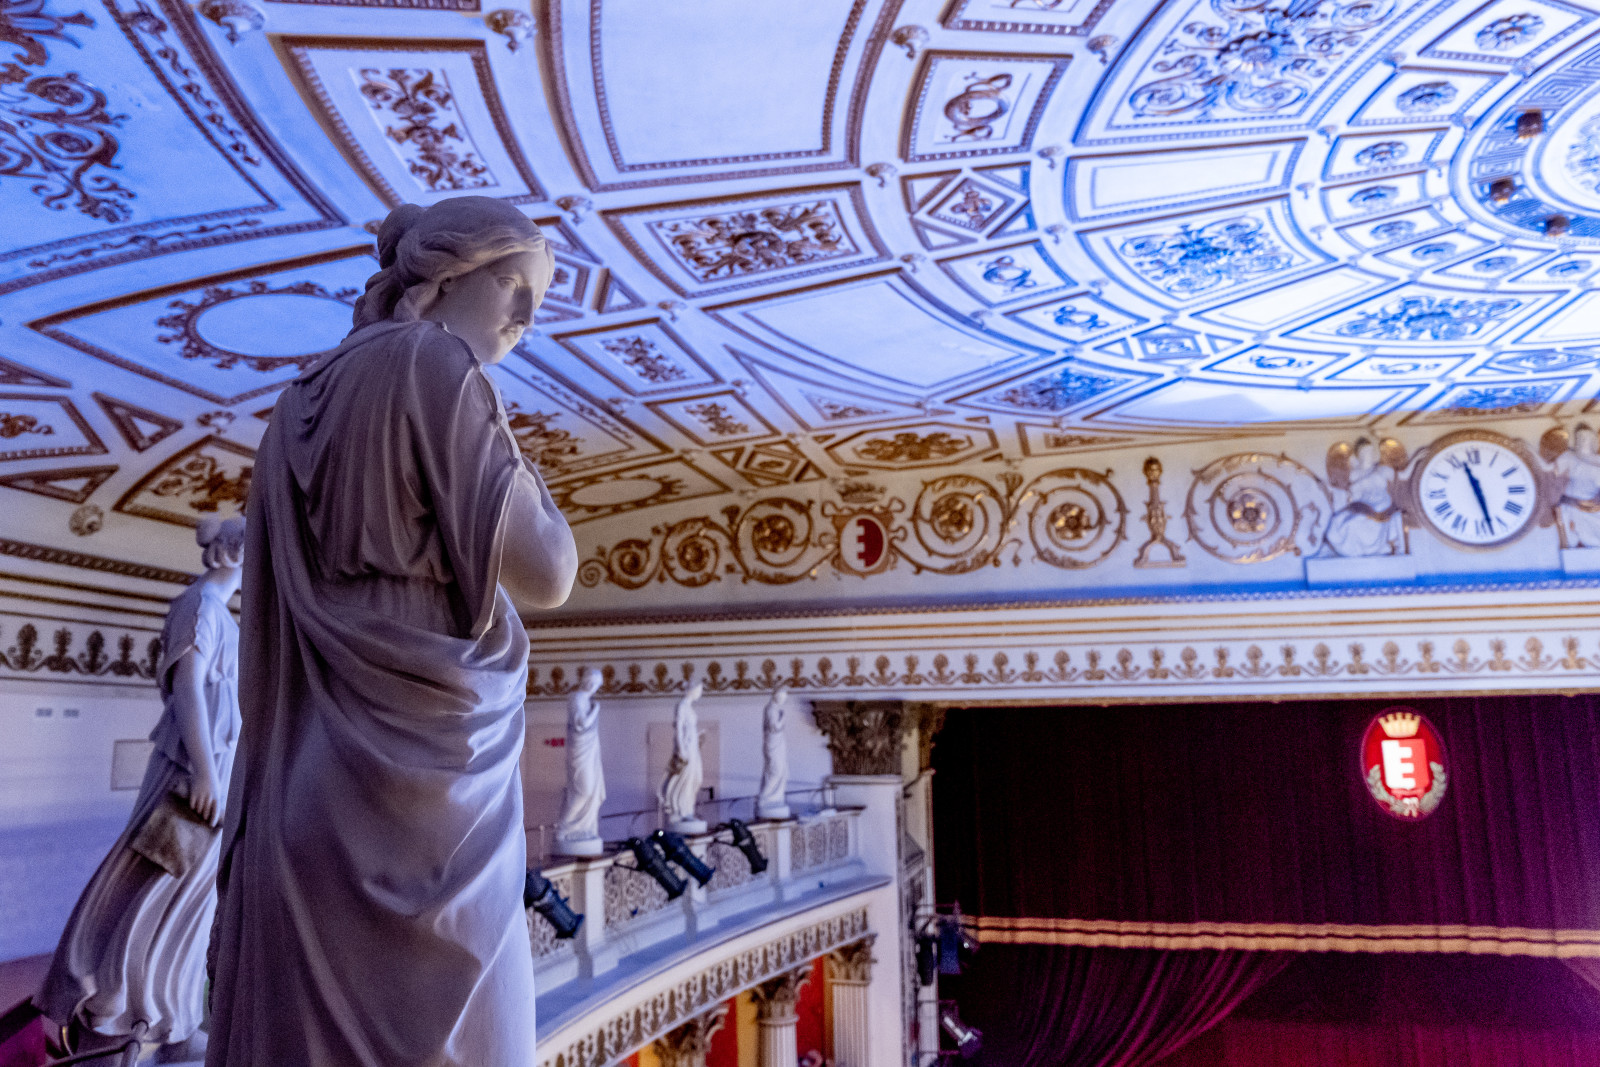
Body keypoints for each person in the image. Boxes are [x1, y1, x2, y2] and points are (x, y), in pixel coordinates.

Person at [206, 196, 577, 1067]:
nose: (525, 317)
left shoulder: (297, 401)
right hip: (428, 795)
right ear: (450, 272)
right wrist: (516, 461)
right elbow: (550, 571)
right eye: (513, 286)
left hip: (312, 782)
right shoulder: (437, 366)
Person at [34, 517, 245, 1061]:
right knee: (151, 887)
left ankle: (169, 1016)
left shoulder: (223, 614)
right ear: (232, 553)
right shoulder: (197, 606)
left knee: (192, 901)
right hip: (190, 771)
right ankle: (116, 1012)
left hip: (217, 771)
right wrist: (203, 769)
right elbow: (188, 687)